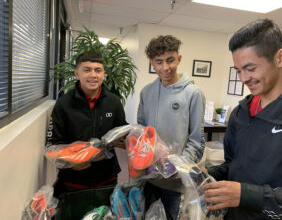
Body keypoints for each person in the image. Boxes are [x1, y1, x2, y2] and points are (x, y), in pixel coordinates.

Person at [202, 19, 282, 219]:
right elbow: (234, 164)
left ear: (280, 58)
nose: (243, 78)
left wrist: (248, 195)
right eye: (238, 71)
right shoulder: (241, 113)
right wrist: (208, 174)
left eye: (250, 68)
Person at [137, 35, 206, 220]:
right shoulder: (146, 92)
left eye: (170, 60)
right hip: (149, 179)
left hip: (176, 185)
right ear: (152, 63)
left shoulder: (193, 94)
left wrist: (179, 167)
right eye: (159, 62)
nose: (165, 68)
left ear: (179, 59)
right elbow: (143, 133)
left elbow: (197, 141)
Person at [46, 51, 127, 199]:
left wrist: (127, 139)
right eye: (87, 70)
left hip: (107, 178)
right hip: (72, 181)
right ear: (77, 73)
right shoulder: (63, 104)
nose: (93, 75)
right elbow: (53, 144)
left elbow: (121, 131)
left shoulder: (114, 102)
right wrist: (70, 164)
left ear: (104, 74)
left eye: (98, 70)